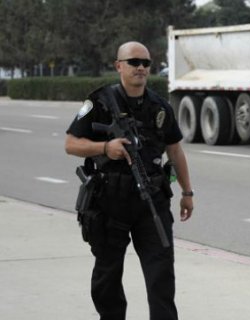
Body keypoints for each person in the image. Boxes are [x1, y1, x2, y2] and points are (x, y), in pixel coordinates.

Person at [65, 41, 193, 320]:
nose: (141, 68)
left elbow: (175, 150)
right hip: (111, 202)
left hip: (152, 201)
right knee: (107, 277)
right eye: (134, 62)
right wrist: (104, 148)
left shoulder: (160, 106)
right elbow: (71, 144)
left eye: (146, 63)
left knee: (161, 275)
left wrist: (187, 192)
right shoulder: (98, 102)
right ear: (118, 66)